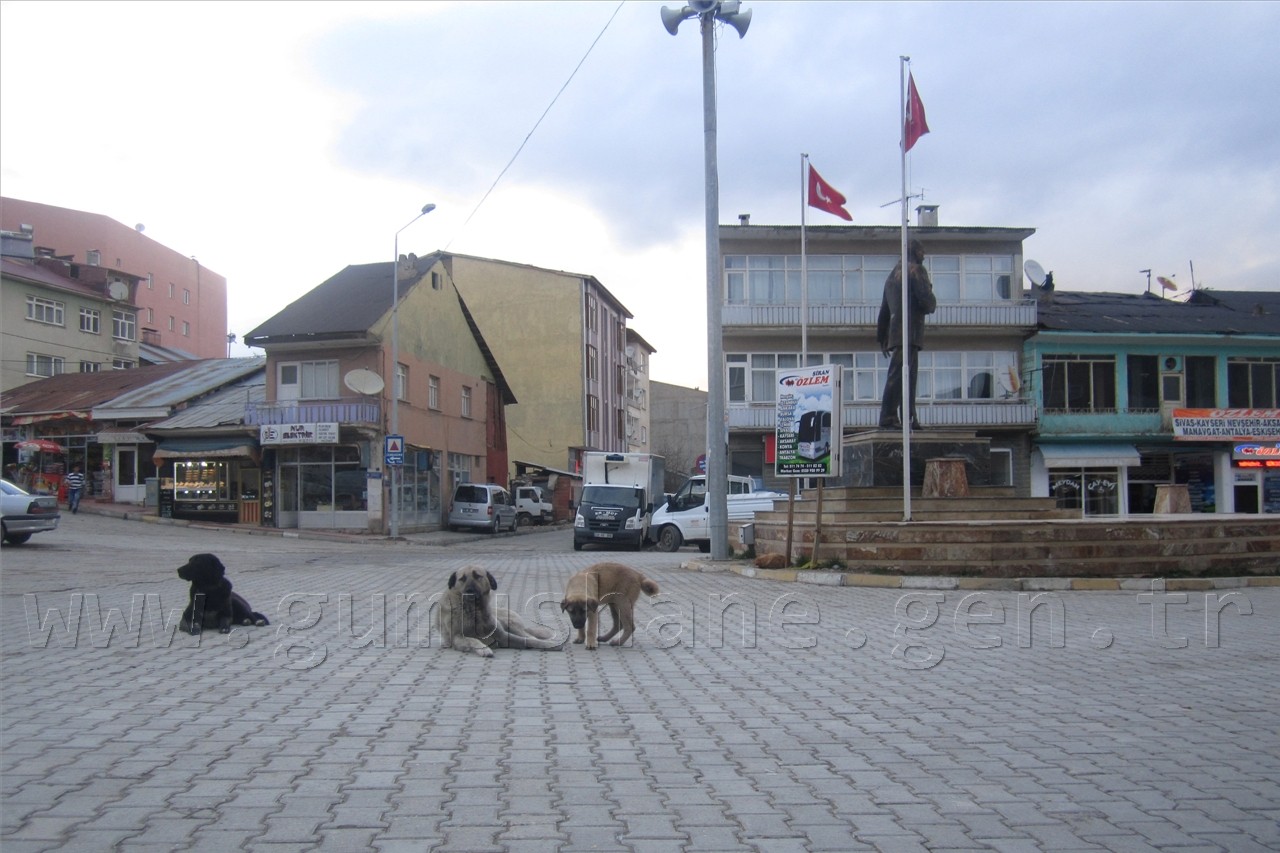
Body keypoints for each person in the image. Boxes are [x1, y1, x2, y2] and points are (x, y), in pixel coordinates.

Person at [876, 238, 937, 430]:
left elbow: (884, 310)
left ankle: (909, 417)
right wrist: (930, 291)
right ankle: (889, 417)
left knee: (904, 376)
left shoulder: (892, 275)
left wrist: (882, 336)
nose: (924, 255)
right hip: (910, 331)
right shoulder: (916, 271)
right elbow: (928, 302)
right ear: (914, 251)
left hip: (896, 333)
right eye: (922, 251)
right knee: (902, 376)